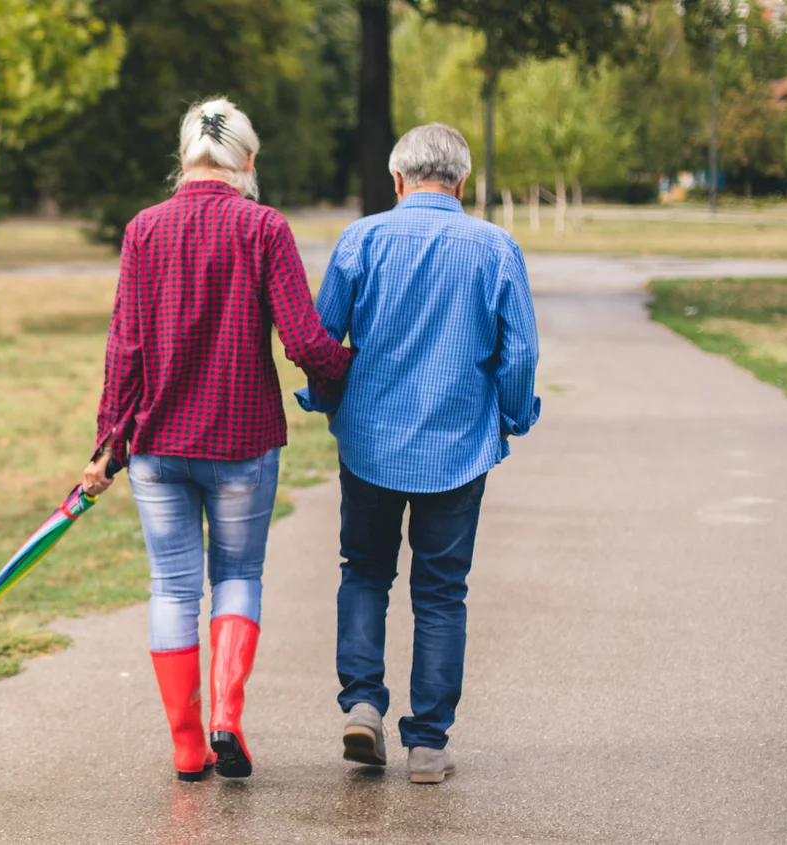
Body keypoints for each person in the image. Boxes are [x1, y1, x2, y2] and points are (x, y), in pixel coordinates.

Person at [83, 97, 352, 782]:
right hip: (241, 439)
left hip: (157, 444)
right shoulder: (264, 227)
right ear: (248, 160)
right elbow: (303, 340)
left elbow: (125, 347)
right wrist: (346, 372)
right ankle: (226, 718)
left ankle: (186, 746)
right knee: (237, 576)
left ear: (184, 158)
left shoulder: (144, 230)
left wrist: (109, 443)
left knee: (172, 589)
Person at [298, 123, 540, 784]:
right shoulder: (496, 247)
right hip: (458, 447)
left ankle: (363, 704)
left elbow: (321, 338)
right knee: (440, 592)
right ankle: (428, 744)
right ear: (462, 183)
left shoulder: (362, 239)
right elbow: (520, 351)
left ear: (397, 180)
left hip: (370, 444)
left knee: (364, 571)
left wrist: (326, 400)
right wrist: (512, 415)